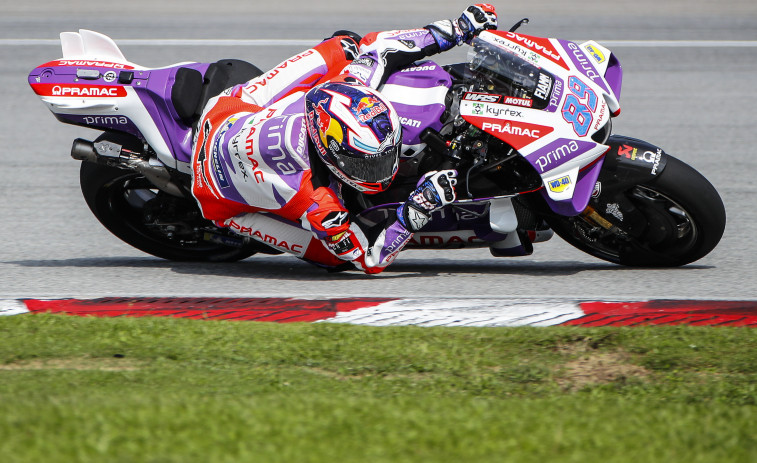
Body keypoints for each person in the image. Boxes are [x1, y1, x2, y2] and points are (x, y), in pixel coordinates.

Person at [191, 4, 498, 273]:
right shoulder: (320, 204)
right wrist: (415, 212)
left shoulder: (351, 82)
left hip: (229, 110)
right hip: (214, 192)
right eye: (368, 165)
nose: (385, 170)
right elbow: (369, 259)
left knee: (347, 45)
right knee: (336, 259)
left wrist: (457, 29)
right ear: (332, 156)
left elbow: (383, 48)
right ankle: (228, 217)